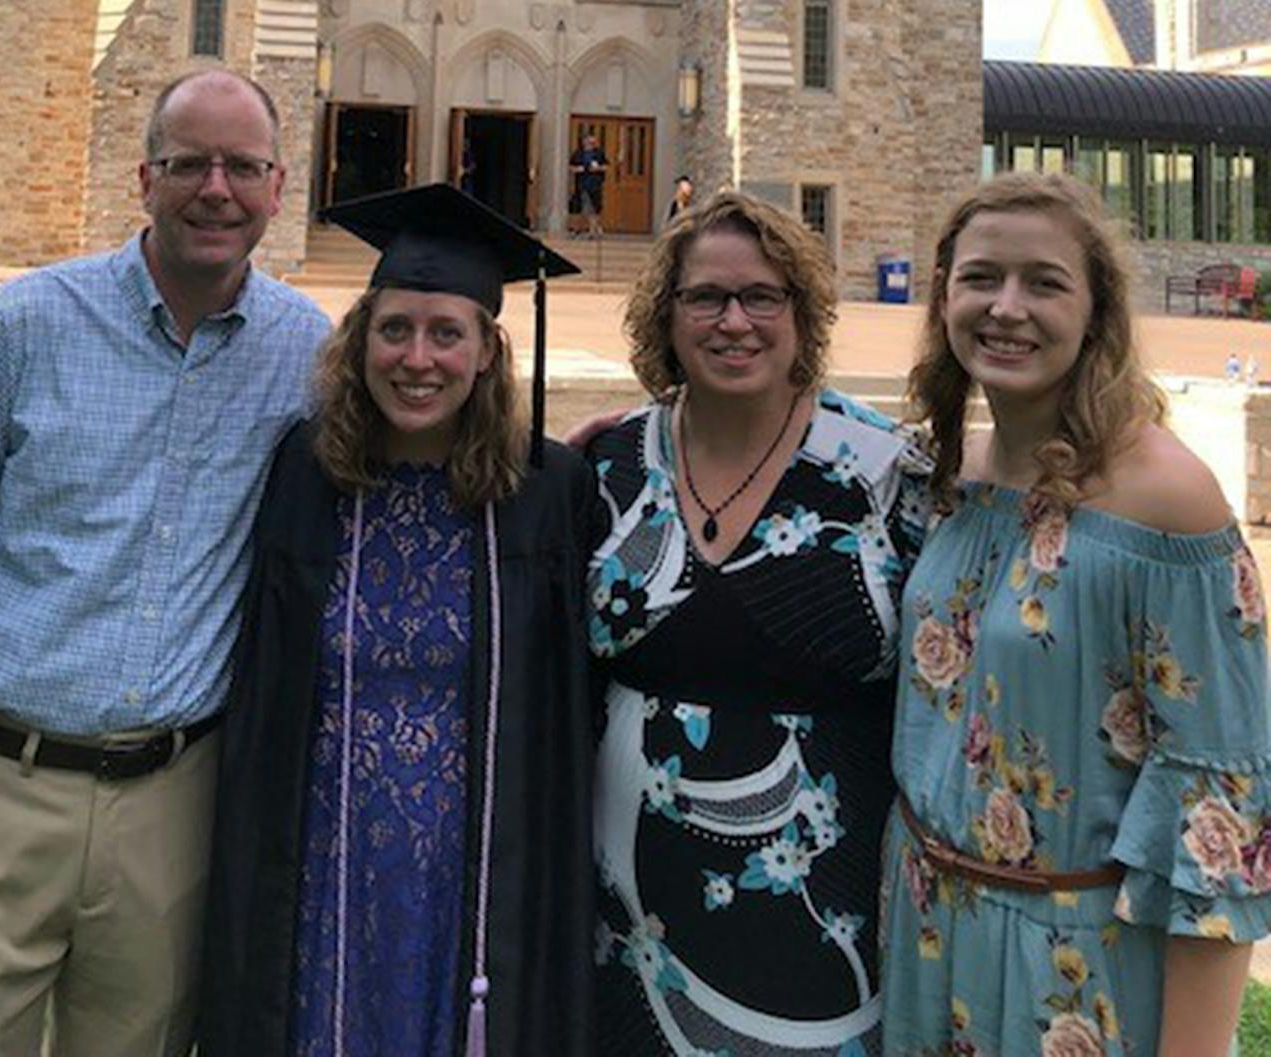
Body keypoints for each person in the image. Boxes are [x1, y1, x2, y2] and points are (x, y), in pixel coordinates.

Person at [0, 69, 331, 1056]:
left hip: (175, 801)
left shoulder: (303, 355)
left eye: (242, 166)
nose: (216, 188)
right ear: (144, 178)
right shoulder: (28, 325)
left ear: (280, 187)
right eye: (189, 163)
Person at [199, 183, 599, 1057]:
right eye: (395, 329)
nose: (418, 359)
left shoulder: (547, 494)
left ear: (490, 351)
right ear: (359, 340)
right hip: (320, 851)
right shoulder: (302, 477)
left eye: (446, 333)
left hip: (479, 858)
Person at [880, 172, 1270, 1056]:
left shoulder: (1168, 505)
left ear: (1096, 311)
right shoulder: (953, 476)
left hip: (1076, 969)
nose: (1006, 307)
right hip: (925, 932)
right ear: (944, 296)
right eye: (981, 278)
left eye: (1043, 282)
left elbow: (1220, 813)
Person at [585, 190, 930, 1054]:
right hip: (632, 913)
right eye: (705, 297)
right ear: (666, 315)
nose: (732, 320)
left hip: (823, 906)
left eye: (761, 296)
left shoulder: (885, 470)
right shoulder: (607, 463)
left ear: (801, 313)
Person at [570, 133, 609, 239]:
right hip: (581, 183)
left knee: (595, 207)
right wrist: (578, 169)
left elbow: (606, 166)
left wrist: (598, 168)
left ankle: (593, 231)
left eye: (593, 142)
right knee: (579, 207)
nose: (591, 144)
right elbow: (571, 167)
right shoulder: (578, 153)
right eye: (589, 141)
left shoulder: (599, 153)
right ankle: (576, 229)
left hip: (595, 183)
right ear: (584, 141)